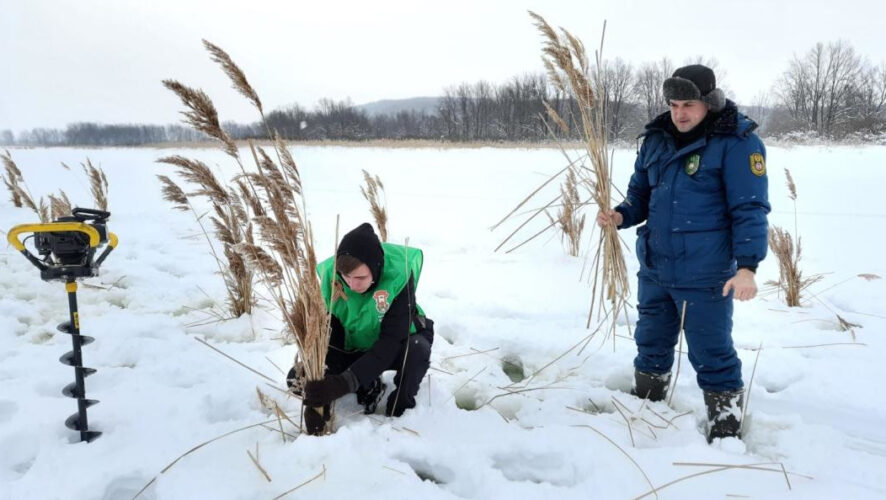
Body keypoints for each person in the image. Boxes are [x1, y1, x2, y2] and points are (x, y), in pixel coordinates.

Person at [597, 64, 770, 442]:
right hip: (657, 268)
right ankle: (646, 410)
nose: (680, 113)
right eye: (674, 104)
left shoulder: (738, 143)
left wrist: (747, 267)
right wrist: (621, 214)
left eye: (688, 104)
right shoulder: (656, 140)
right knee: (650, 342)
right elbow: (640, 196)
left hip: (706, 274)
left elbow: (750, 208)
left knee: (712, 351)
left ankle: (725, 431)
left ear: (709, 102)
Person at [290, 223, 434, 435]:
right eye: (346, 277)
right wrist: (319, 399)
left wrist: (343, 384)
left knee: (417, 350)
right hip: (354, 344)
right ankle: (367, 384)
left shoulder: (399, 278)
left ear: (375, 269)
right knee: (297, 379)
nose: (352, 285)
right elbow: (327, 336)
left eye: (360, 278)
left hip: (397, 344)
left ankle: (399, 418)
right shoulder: (332, 278)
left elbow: (390, 343)